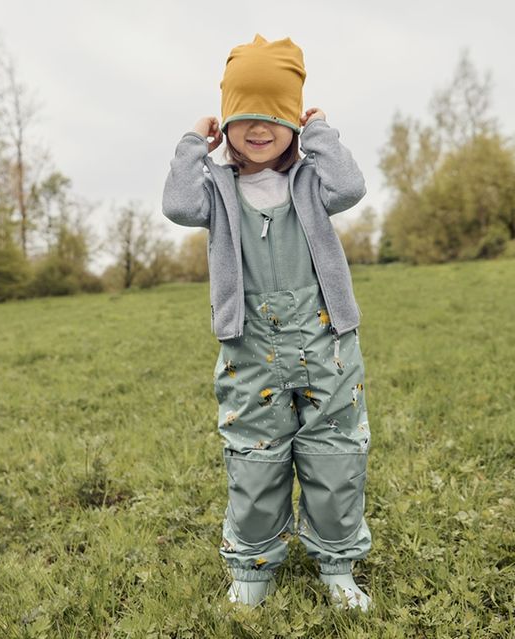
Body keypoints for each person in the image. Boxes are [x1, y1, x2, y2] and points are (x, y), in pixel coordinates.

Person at [162, 34, 372, 611]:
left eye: (273, 115)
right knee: (254, 454)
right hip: (249, 343)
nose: (258, 128)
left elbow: (351, 186)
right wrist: (191, 144)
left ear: (293, 121)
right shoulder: (215, 186)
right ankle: (253, 567)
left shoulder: (310, 177)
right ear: (226, 122)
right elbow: (177, 205)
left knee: (336, 453)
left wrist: (321, 131)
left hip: (325, 337)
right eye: (244, 115)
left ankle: (337, 562)